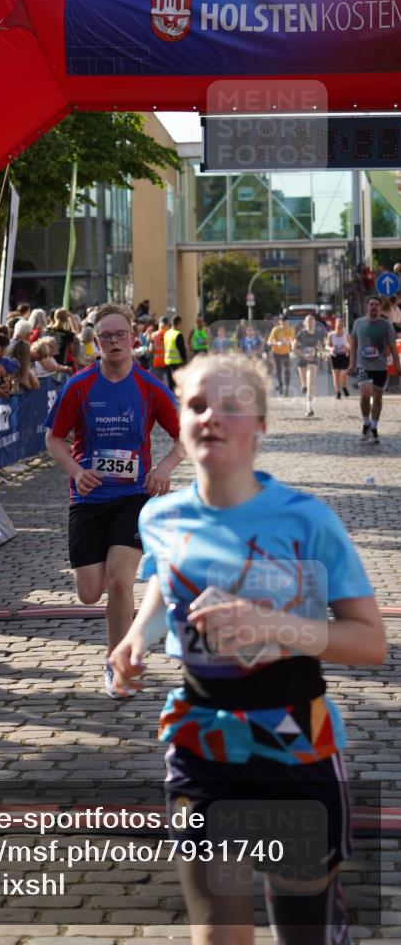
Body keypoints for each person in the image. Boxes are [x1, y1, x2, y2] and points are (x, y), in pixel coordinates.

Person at [109, 353, 387, 945]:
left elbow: (370, 643)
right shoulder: (160, 515)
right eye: (198, 405)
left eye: (232, 407)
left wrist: (274, 626)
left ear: (260, 426)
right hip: (199, 742)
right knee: (217, 931)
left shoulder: (307, 520)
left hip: (295, 744)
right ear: (179, 424)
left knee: (301, 932)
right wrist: (137, 636)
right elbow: (165, 579)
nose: (213, 417)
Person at [45, 304, 183, 698]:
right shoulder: (80, 385)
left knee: (121, 582)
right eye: (105, 337)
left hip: (132, 497)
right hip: (88, 498)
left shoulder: (151, 387)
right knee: (90, 591)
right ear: (96, 344)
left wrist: (164, 469)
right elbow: (53, 438)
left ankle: (117, 664)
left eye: (120, 335)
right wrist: (75, 471)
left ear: (133, 339)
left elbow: (183, 437)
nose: (114, 342)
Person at [348, 295, 400, 444]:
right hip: (363, 365)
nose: (373, 307)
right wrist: (351, 364)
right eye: (371, 304)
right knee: (366, 393)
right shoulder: (358, 323)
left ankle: (374, 427)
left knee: (377, 397)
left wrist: (397, 365)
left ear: (379, 307)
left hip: (380, 367)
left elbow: (392, 346)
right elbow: (353, 345)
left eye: (376, 304)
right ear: (367, 306)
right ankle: (366, 422)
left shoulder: (386, 325)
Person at [292, 315, 323, 418]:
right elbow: (293, 348)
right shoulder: (301, 333)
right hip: (302, 361)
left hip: (313, 361)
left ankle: (309, 408)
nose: (310, 322)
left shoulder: (317, 334)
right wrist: (302, 355)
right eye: (308, 321)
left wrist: (323, 353)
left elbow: (319, 346)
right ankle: (303, 386)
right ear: (305, 323)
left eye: (312, 321)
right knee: (305, 384)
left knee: (311, 384)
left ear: (314, 323)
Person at [266, 313, 294, 396]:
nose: (284, 323)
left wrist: (289, 342)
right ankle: (281, 386)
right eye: (282, 322)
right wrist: (277, 343)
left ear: (288, 322)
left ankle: (286, 389)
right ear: (280, 322)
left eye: (285, 322)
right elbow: (269, 342)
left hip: (286, 353)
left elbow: (293, 340)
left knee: (287, 370)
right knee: (278, 370)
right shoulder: (276, 329)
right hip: (276, 353)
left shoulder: (290, 330)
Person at [325, 317, 351, 400]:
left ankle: (344, 386)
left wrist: (346, 347)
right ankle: (338, 392)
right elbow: (327, 346)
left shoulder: (346, 335)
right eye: (337, 326)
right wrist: (331, 349)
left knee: (344, 373)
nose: (339, 328)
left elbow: (350, 345)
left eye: (340, 326)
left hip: (344, 355)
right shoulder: (331, 335)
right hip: (335, 356)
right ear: (335, 326)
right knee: (336, 374)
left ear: (343, 326)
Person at [164, 315, 187, 389]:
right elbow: (182, 350)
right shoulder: (178, 334)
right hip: (177, 362)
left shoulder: (166, 333)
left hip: (167, 362)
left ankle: (170, 399)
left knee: (170, 383)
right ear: (179, 323)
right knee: (177, 384)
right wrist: (184, 362)